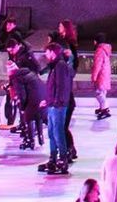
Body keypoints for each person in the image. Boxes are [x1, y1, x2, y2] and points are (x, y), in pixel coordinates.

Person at [45, 39, 77, 176]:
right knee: (52, 132)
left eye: (46, 52)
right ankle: (53, 157)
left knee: (58, 132)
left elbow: (62, 86)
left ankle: (63, 159)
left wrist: (57, 102)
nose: (45, 54)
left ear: (52, 52)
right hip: (52, 104)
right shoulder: (54, 65)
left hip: (58, 106)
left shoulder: (60, 66)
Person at [95, 39, 116, 121]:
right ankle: (102, 108)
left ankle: (104, 109)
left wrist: (94, 76)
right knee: (102, 92)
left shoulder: (99, 51)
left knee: (99, 93)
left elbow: (97, 65)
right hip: (105, 74)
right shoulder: (105, 50)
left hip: (101, 74)